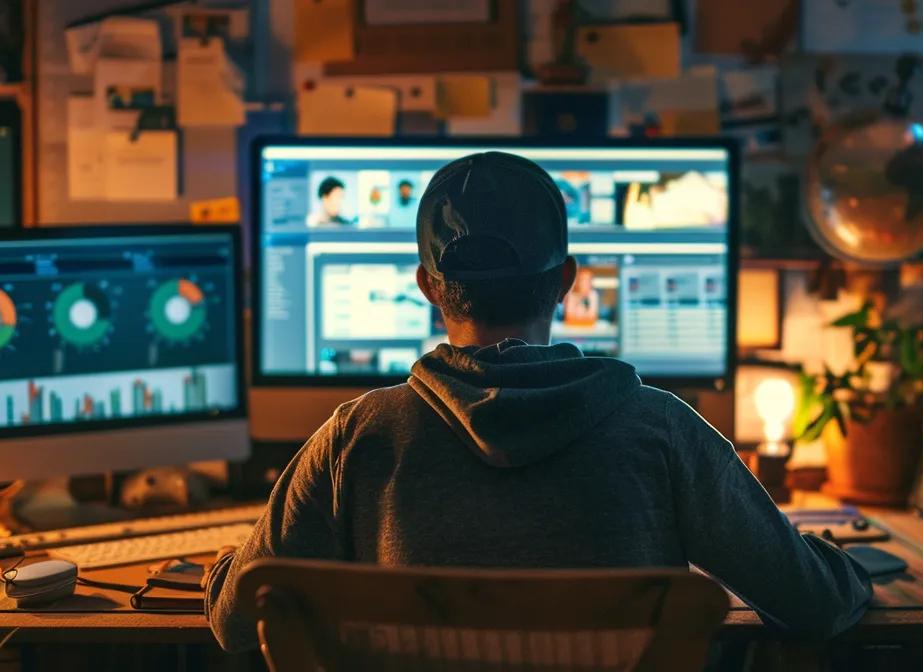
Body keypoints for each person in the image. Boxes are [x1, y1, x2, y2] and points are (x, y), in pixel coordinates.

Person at [206, 152, 871, 652]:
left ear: (427, 287)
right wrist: (845, 564)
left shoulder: (355, 438)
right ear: (565, 281)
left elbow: (237, 620)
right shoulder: (662, 430)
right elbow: (814, 604)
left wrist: (221, 567)